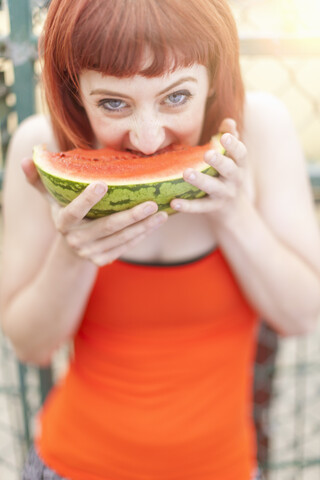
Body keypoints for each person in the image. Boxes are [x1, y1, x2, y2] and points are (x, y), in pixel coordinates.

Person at [1, 0, 320, 479]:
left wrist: (233, 213)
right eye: (113, 103)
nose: (148, 140)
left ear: (214, 77)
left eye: (175, 97)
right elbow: (30, 346)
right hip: (71, 465)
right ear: (75, 95)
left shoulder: (263, 129)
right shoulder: (38, 146)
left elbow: (301, 316)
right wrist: (73, 254)